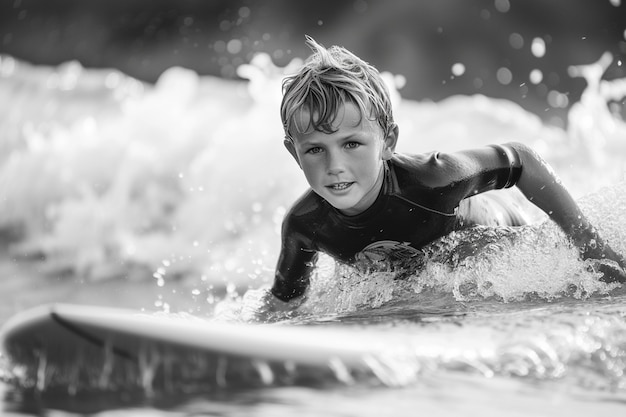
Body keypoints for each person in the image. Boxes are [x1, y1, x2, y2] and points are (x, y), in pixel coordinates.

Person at [251, 36, 625, 318]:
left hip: (504, 231)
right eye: (315, 149)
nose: (335, 165)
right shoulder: (305, 226)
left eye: (352, 144)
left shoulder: (433, 181)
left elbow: (521, 160)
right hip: (425, 264)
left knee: (466, 261)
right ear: (294, 154)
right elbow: (284, 303)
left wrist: (591, 247)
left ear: (388, 143)